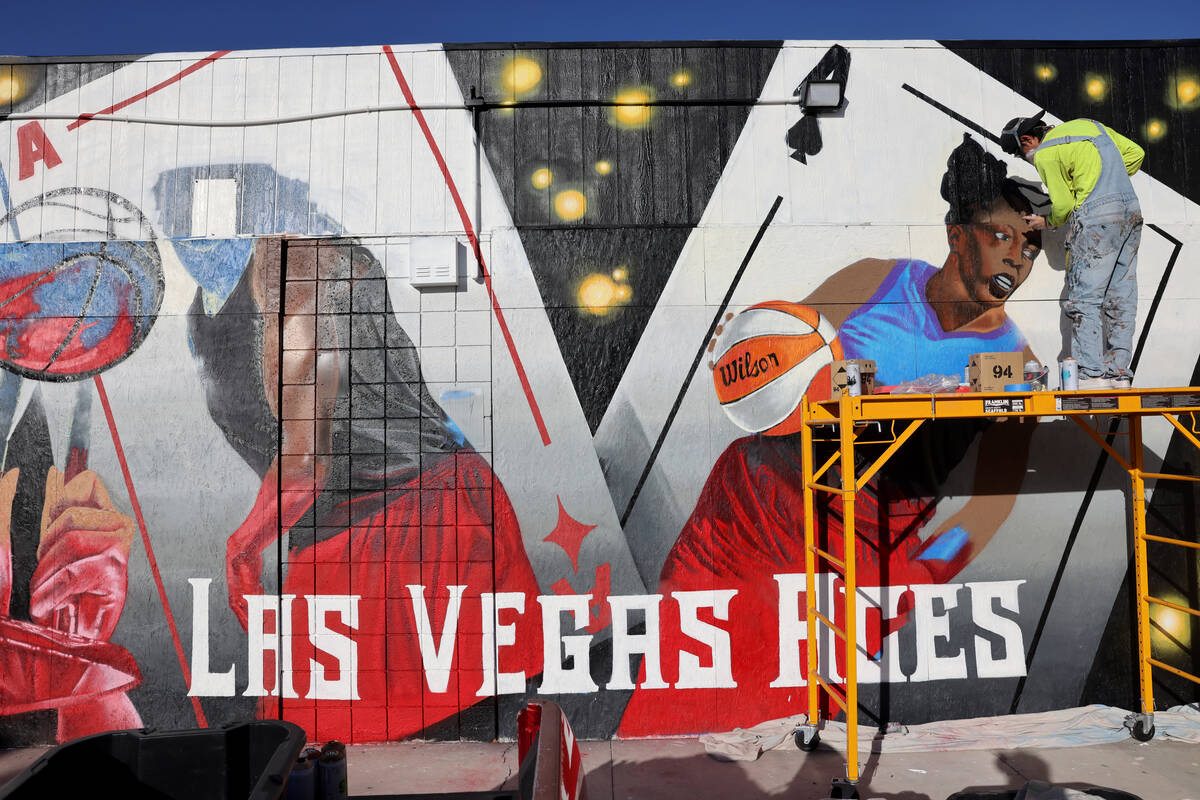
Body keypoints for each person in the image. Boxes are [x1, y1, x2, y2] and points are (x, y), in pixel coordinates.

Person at [617, 135, 1044, 736]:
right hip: (758, 498)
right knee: (686, 671)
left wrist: (920, 578)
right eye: (1003, 237)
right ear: (957, 235)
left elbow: (993, 500)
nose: (1018, 259)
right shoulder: (876, 279)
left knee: (796, 709)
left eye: (1031, 246)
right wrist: (743, 342)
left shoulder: (1015, 359)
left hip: (864, 539)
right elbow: (788, 356)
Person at [1000, 115, 1144, 390]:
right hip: (1131, 212)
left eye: (1021, 153)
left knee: (1084, 299)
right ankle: (1118, 374)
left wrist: (1047, 220)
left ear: (1027, 140)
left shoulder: (1045, 154)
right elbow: (1136, 155)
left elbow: (1064, 204)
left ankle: (1091, 373)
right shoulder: (1090, 125)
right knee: (1121, 296)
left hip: (1098, 218)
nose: (1026, 157)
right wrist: (1104, 181)